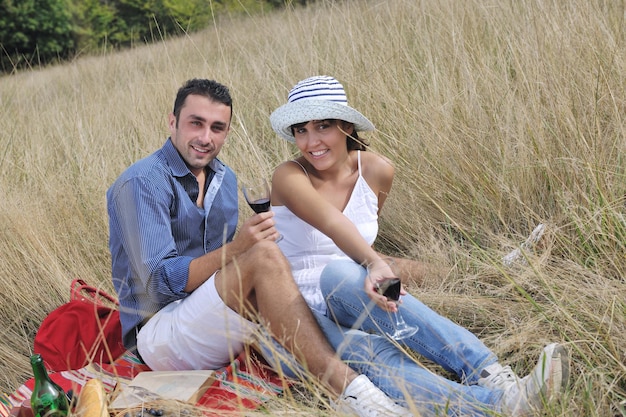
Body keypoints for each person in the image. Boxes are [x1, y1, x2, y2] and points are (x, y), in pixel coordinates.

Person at [106, 78, 412, 417]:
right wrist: (239, 250)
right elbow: (160, 283)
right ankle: (353, 392)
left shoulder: (226, 179)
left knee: (309, 273)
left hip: (211, 314)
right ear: (172, 122)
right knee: (267, 258)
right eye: (196, 123)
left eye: (217, 127)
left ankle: (424, 375)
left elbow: (228, 272)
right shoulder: (142, 183)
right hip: (159, 336)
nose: (206, 138)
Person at [269, 75, 570, 416]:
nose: (311, 142)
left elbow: (360, 238)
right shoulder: (288, 175)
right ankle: (497, 408)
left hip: (353, 286)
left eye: (322, 126)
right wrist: (375, 263)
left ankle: (490, 372)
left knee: (345, 273)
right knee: (374, 351)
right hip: (296, 303)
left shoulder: (377, 170)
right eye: (300, 130)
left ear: (345, 126)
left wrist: (374, 268)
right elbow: (333, 223)